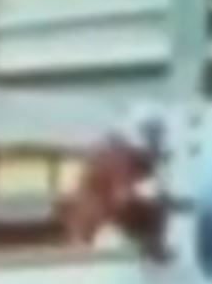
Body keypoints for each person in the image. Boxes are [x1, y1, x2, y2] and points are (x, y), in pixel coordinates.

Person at [58, 108, 168, 260]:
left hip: (95, 222)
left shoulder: (112, 153)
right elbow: (122, 199)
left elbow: (121, 194)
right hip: (99, 229)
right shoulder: (118, 158)